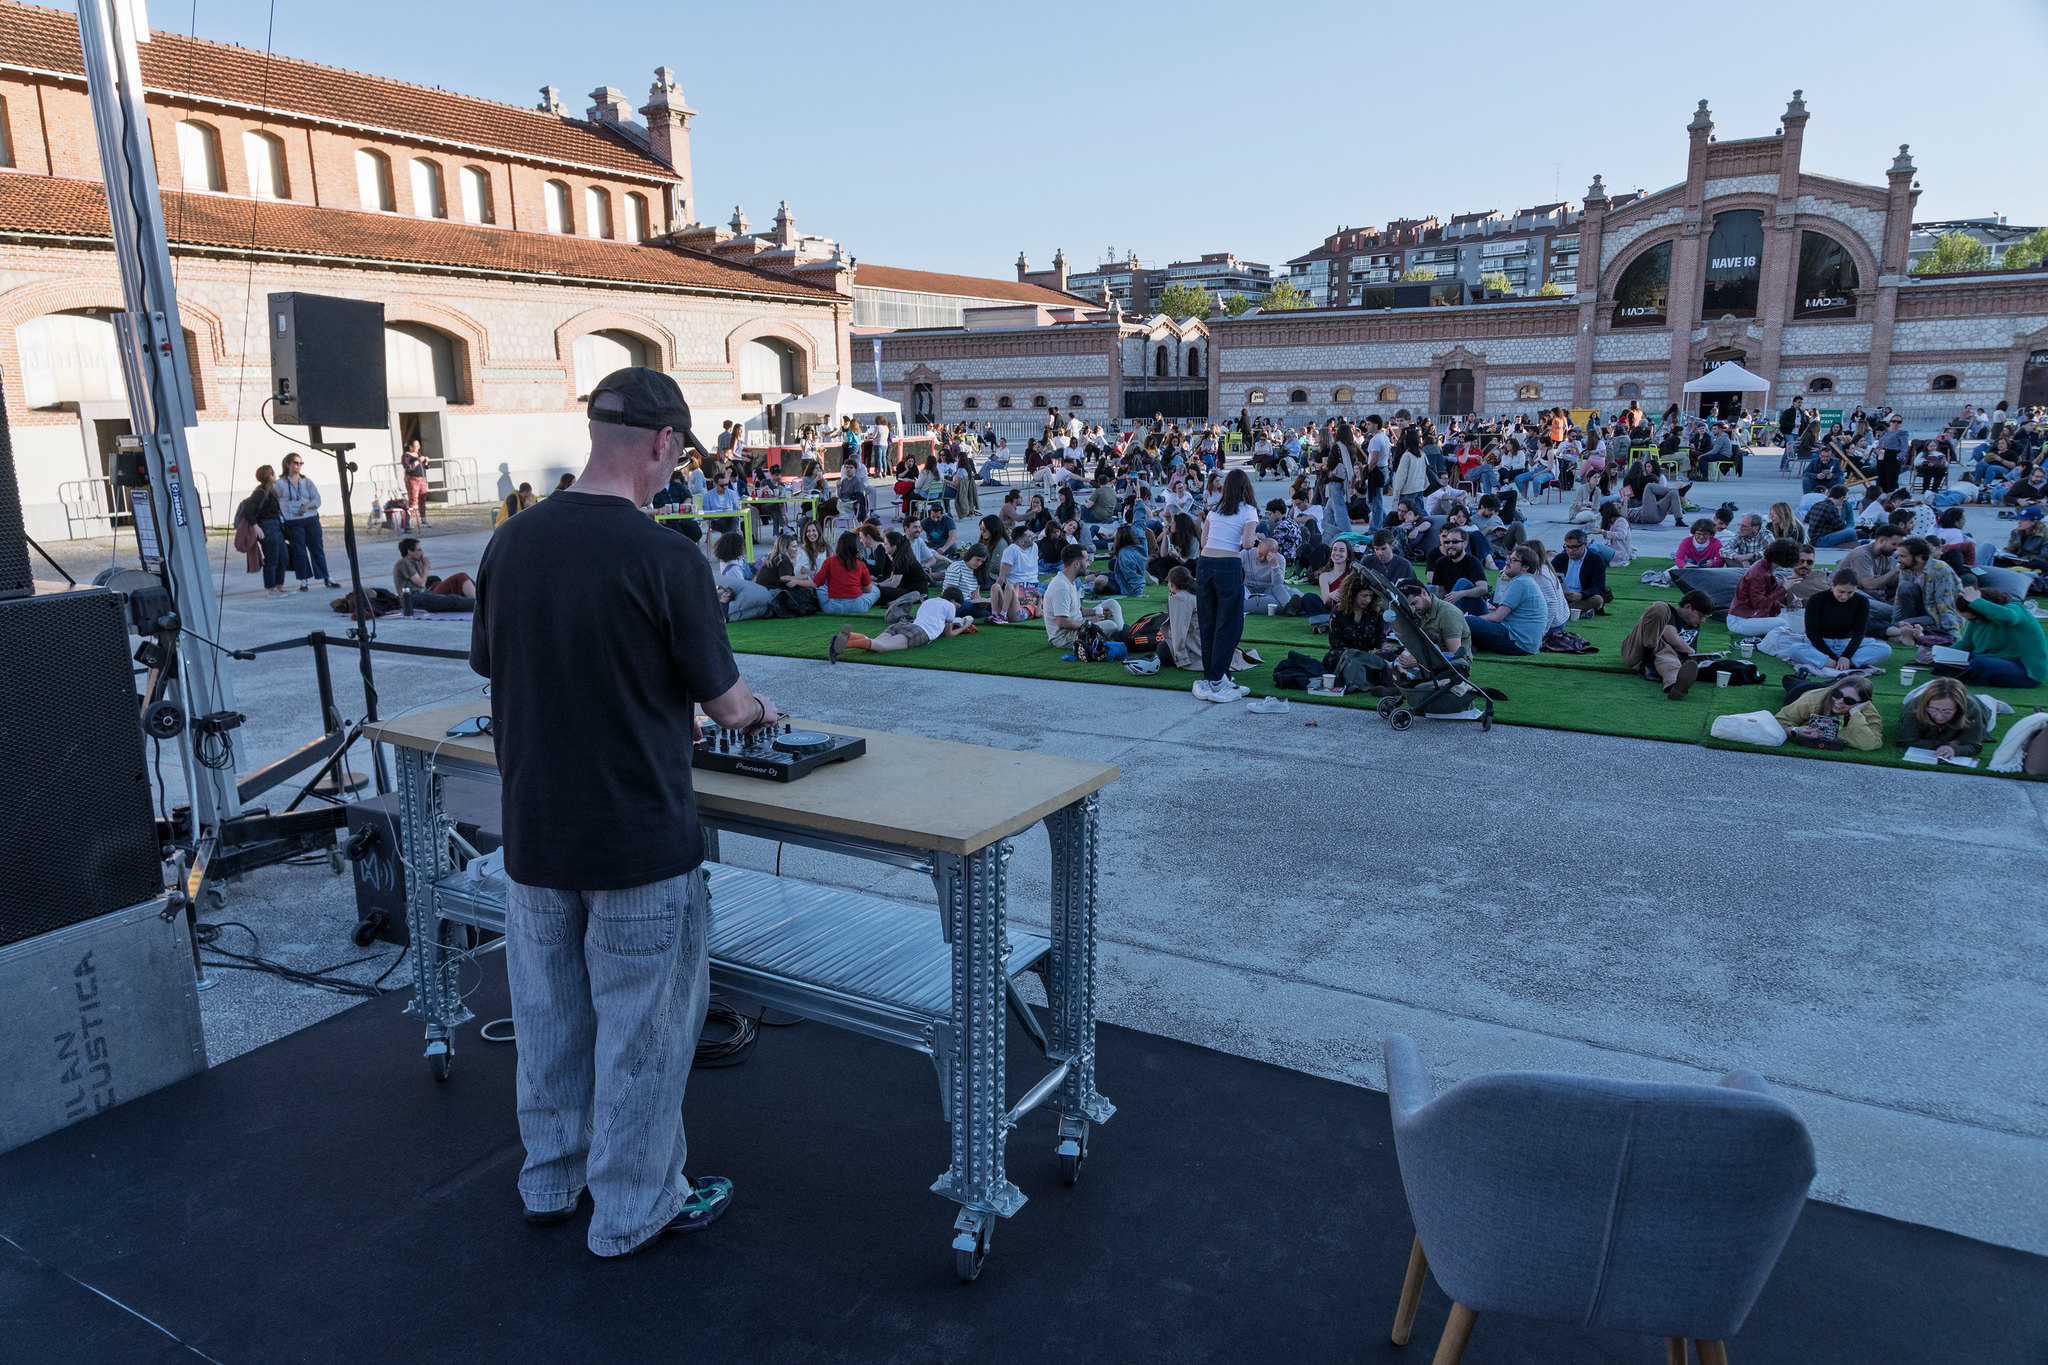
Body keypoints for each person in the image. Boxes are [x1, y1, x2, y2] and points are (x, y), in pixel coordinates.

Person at [469, 367, 771, 1255]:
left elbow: (497, 663)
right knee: (642, 1033)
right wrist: (757, 713)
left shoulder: (512, 542)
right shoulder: (668, 556)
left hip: (533, 833)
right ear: (663, 445)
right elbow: (725, 704)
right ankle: (633, 1208)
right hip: (638, 841)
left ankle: (551, 1179)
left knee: (551, 1023)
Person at [1193, 469, 1259, 701]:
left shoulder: (1214, 510)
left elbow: (1203, 542)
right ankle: (1219, 677)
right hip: (1228, 564)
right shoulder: (1248, 510)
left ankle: (1213, 674)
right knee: (1229, 623)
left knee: (1208, 621)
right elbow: (1248, 543)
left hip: (1205, 564)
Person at [1762, 569, 1891, 675]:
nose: (1845, 596)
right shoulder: (1817, 600)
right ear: (1832, 586)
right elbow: (1812, 633)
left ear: (1855, 589)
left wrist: (1846, 656)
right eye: (1841, 592)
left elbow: (1859, 632)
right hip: (1821, 645)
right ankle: (1836, 665)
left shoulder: (1861, 601)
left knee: (1884, 649)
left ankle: (1846, 664)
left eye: (1850, 593)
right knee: (1795, 649)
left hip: (1846, 644)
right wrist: (1833, 658)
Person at [828, 586, 974, 662]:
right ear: (954, 601)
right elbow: (948, 634)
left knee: (875, 643)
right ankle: (841, 644)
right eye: (957, 607)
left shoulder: (929, 601)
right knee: (882, 647)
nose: (955, 609)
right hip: (919, 632)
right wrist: (963, 627)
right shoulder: (949, 606)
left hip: (903, 624)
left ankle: (849, 636)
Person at [1947, 585, 2047, 688]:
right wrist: (1941, 654)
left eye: (1972, 619)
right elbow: (1966, 644)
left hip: (2023, 669)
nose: (1971, 621)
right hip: (1992, 659)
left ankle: (1966, 676)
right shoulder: (1978, 618)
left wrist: (1976, 601)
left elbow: (2009, 618)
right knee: (1945, 662)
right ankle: (1966, 675)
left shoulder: (2014, 609)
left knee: (1979, 664)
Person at [1621, 591, 1714, 699]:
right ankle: (1646, 665)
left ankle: (1675, 686)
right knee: (1659, 607)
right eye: (1701, 615)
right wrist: (1690, 651)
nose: (1703, 621)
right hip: (1638, 650)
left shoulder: (1694, 624)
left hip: (1664, 658)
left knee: (1670, 659)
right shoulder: (1670, 614)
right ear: (1688, 607)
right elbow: (1672, 638)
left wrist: (1698, 658)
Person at [1466, 547, 1548, 657]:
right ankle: (1469, 644)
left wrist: (1471, 619)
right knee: (1465, 585)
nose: (1507, 563)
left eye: (1513, 560)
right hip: (1526, 643)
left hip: (1517, 642)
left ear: (1525, 566)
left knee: (1467, 621)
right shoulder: (1526, 581)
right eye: (1508, 558)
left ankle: (1460, 641)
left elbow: (1497, 617)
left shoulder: (1520, 583)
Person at [275, 453, 339, 591]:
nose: (298, 466)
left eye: (300, 463)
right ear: (288, 464)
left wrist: (307, 506)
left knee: (317, 548)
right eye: (295, 463)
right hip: (293, 521)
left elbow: (317, 500)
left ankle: (325, 576)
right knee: (299, 551)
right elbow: (275, 500)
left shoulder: (306, 481)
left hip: (310, 518)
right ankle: (303, 580)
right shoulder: (280, 483)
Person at [1044, 544, 1125, 652]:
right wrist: (1089, 624)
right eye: (1086, 560)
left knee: (1112, 604)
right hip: (1065, 638)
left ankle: (1122, 637)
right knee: (1111, 625)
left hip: (1077, 624)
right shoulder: (1061, 587)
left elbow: (1077, 610)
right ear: (1076, 564)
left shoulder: (1069, 580)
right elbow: (1062, 622)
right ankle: (1123, 638)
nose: (1089, 563)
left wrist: (1095, 611)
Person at [1886, 537, 1963, 644]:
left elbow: (1946, 606)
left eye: (1902, 556)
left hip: (1937, 616)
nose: (1898, 560)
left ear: (1919, 557)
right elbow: (1898, 600)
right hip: (1918, 615)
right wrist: (1896, 621)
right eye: (1898, 556)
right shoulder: (1906, 569)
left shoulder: (1941, 569)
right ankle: (1908, 631)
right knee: (1905, 588)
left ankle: (1907, 633)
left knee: (1890, 628)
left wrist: (1953, 635)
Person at [1898, 676, 1994, 760]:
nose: (1939, 717)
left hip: (1981, 705)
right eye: (1933, 710)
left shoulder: (1972, 710)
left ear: (1959, 709)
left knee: (1988, 705)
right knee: (1911, 695)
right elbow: (1905, 741)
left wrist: (1954, 749)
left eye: (1947, 712)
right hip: (1922, 695)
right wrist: (1949, 743)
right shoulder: (1915, 707)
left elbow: (1974, 745)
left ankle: (1994, 703)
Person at [1777, 676, 1883, 749]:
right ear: (1833, 690)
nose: (1840, 701)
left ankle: (1837, 680)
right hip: (1800, 692)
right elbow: (1778, 722)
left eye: (1849, 700)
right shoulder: (1812, 699)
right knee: (1792, 682)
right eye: (1837, 694)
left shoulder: (1868, 711)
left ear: (1862, 703)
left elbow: (1870, 744)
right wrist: (1795, 731)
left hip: (1830, 689)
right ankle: (1799, 675)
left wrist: (1855, 713)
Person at [237, 464, 288, 595]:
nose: (275, 476)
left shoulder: (271, 492)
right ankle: (271, 587)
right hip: (267, 526)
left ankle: (279, 585)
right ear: (267, 476)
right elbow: (248, 511)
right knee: (272, 557)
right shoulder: (260, 493)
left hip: (277, 526)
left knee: (283, 556)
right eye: (272, 474)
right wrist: (255, 526)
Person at [1397, 576, 1471, 662]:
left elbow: (1455, 656)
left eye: (1414, 603)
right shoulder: (1421, 611)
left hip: (1452, 667)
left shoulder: (1448, 614)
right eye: (1409, 606)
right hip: (1430, 658)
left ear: (1424, 592)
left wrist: (1419, 662)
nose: (1413, 609)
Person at [1426, 525, 1492, 613]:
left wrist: (1461, 594)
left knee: (1462, 582)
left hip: (1475, 609)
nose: (1450, 545)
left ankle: (1446, 613)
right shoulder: (1441, 563)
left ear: (1465, 543)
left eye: (1455, 542)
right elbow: (1441, 591)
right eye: (1448, 542)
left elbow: (1483, 589)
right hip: (1454, 606)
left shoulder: (1473, 562)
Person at [816, 530, 878, 614]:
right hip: (857, 606)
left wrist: (797, 581)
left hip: (833, 607)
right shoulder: (860, 564)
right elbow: (868, 589)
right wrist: (854, 588)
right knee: (875, 590)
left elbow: (817, 582)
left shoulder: (829, 561)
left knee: (820, 588)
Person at [393, 536, 475, 599]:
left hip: (433, 587)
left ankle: (482, 596)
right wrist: (425, 567)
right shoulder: (404, 563)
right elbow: (421, 583)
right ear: (410, 552)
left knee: (467, 578)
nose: (421, 552)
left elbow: (422, 576)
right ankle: (477, 601)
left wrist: (422, 565)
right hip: (429, 590)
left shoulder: (414, 563)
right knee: (461, 577)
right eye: (419, 550)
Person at [1553, 530, 1611, 616]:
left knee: (1598, 600)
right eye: (1567, 546)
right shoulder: (1560, 558)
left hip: (1583, 597)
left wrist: (1581, 595)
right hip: (1561, 596)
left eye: (1574, 547)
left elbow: (1598, 587)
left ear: (1584, 545)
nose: (1570, 550)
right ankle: (1574, 611)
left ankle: (1563, 611)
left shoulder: (1595, 560)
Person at [401, 437, 431, 527]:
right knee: (413, 500)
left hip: (422, 479)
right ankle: (409, 521)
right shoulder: (406, 456)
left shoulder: (418, 454)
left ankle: (423, 518)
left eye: (418, 446)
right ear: (410, 447)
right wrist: (418, 461)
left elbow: (426, 467)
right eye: (415, 446)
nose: (417, 448)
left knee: (422, 499)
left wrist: (426, 462)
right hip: (412, 480)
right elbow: (408, 468)